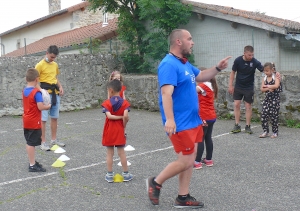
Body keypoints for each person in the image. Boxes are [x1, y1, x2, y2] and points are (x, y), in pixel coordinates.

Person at [146, 29, 231, 208]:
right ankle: (156, 182)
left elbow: (201, 76)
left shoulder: (184, 63)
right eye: (189, 39)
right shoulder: (168, 64)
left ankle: (182, 197)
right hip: (180, 123)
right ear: (178, 42)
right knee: (186, 160)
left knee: (190, 159)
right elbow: (166, 93)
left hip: (193, 121)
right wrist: (170, 119)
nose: (192, 42)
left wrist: (217, 68)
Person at [101, 79, 133, 183]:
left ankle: (110, 175)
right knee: (122, 153)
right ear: (121, 90)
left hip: (109, 130)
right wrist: (123, 124)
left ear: (110, 90)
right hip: (119, 130)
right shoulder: (125, 103)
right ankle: (126, 174)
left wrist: (118, 117)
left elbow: (109, 116)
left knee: (110, 153)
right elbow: (125, 116)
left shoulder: (107, 103)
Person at [228, 45, 264, 134]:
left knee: (248, 106)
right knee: (236, 104)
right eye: (249, 55)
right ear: (244, 53)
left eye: (252, 55)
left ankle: (248, 126)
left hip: (249, 87)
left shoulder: (254, 61)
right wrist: (230, 85)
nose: (251, 57)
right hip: (238, 86)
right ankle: (237, 125)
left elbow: (264, 69)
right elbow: (233, 72)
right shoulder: (238, 60)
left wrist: (275, 72)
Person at [35, 45, 65, 151]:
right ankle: (43, 142)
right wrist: (41, 91)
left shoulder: (55, 65)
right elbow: (35, 81)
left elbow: (55, 78)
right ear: (46, 53)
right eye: (51, 57)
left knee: (54, 117)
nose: (52, 59)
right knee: (43, 119)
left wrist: (60, 87)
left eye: (54, 57)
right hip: (45, 94)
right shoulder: (39, 65)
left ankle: (54, 140)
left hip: (55, 93)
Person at [23, 68, 51, 172]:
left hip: (26, 120)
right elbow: (40, 107)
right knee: (31, 143)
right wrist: (48, 106)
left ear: (26, 79)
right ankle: (32, 165)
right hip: (34, 121)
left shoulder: (25, 90)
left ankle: (32, 161)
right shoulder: (36, 93)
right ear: (37, 79)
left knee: (29, 142)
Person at [194, 69, 218, 169]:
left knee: (200, 139)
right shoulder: (211, 85)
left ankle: (197, 161)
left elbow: (191, 91)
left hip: (204, 116)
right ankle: (208, 160)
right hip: (211, 116)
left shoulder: (203, 85)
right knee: (208, 137)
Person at [259, 62, 282, 138]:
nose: (266, 72)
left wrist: (267, 86)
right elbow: (262, 89)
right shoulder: (264, 78)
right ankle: (265, 131)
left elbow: (276, 85)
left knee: (274, 116)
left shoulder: (276, 77)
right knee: (264, 115)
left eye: (267, 71)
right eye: (264, 71)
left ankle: (275, 132)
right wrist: (269, 88)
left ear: (272, 70)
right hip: (267, 99)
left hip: (275, 99)